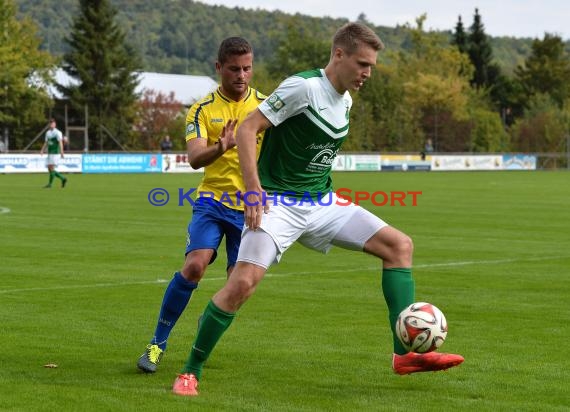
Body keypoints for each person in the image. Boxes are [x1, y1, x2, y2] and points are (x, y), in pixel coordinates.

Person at [172, 22, 464, 396]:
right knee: (241, 284)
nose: (367, 73)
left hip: (321, 202)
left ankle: (403, 355)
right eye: (362, 63)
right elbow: (247, 129)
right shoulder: (304, 87)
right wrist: (254, 192)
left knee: (398, 245)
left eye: (371, 66)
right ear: (338, 55)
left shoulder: (345, 101)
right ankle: (189, 371)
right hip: (278, 203)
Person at [137, 37, 266, 374]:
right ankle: (157, 344)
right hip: (211, 201)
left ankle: (208, 320)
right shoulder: (202, 109)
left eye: (247, 68)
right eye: (234, 69)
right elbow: (195, 158)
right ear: (219, 68)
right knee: (195, 266)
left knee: (238, 287)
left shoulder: (266, 106)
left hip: (249, 210)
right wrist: (220, 146)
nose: (242, 75)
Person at [40, 118, 67, 188]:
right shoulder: (47, 133)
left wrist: (62, 151)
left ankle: (50, 184)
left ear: (55, 124)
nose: (51, 124)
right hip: (50, 153)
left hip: (55, 152)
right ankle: (63, 178)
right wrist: (42, 150)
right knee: (49, 169)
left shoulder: (57, 132)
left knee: (51, 167)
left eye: (53, 123)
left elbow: (60, 142)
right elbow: (46, 142)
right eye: (50, 123)